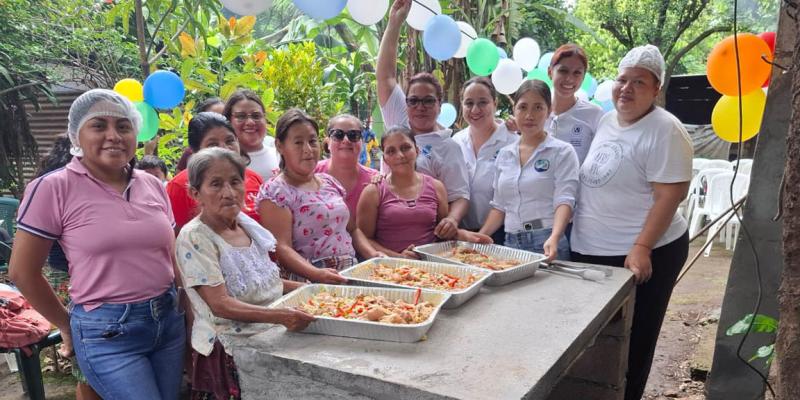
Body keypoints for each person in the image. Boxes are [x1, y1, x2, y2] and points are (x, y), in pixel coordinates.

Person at [9, 89, 185, 399]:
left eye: (123, 126)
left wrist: (188, 308)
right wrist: (66, 323)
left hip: (168, 323)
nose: (113, 135)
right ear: (77, 134)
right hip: (107, 333)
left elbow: (170, 254)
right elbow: (23, 272)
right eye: (99, 125)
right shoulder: (53, 188)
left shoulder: (153, 185)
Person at [569, 45, 693, 400]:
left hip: (641, 253)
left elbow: (670, 195)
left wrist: (641, 247)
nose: (626, 88)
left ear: (657, 89)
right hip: (592, 249)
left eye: (639, 82)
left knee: (632, 344)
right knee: (594, 343)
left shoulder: (666, 130)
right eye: (622, 79)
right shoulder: (608, 120)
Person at [176, 147, 314, 400]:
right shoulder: (196, 236)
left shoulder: (247, 226)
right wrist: (282, 316)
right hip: (229, 352)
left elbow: (266, 283)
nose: (228, 193)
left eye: (235, 182)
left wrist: (316, 291)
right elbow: (220, 304)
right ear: (196, 193)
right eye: (215, 184)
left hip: (267, 339)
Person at [376, 0, 470, 240]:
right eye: (413, 101)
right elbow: (385, 76)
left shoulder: (449, 146)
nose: (420, 107)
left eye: (428, 101)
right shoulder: (399, 123)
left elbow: (459, 195)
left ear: (440, 104)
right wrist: (395, 21)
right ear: (405, 104)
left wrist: (452, 219)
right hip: (387, 230)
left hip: (427, 235)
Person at [257, 109, 381, 282]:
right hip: (309, 282)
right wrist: (317, 274)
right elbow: (282, 248)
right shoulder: (276, 192)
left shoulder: (330, 182)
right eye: (298, 143)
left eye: (312, 141)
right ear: (280, 146)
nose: (308, 149)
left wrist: (373, 255)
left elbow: (352, 230)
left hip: (350, 273)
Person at [478, 80, 579, 262]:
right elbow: (500, 206)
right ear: (514, 110)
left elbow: (565, 200)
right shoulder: (505, 154)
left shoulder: (562, 151)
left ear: (549, 111)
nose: (529, 115)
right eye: (523, 107)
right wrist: (479, 239)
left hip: (546, 240)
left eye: (538, 107)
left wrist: (555, 236)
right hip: (510, 244)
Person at [358, 127, 492, 258]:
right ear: (385, 158)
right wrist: (397, 258)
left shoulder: (436, 187)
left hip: (432, 272)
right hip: (388, 273)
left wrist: (457, 232)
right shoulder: (373, 192)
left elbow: (441, 234)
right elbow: (364, 239)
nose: (400, 155)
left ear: (417, 150)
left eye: (405, 147)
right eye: (391, 151)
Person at [167, 112, 265, 232]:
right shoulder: (179, 185)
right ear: (196, 151)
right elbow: (175, 238)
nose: (224, 148)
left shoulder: (254, 178)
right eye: (213, 144)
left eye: (230, 141)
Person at [451, 77, 518, 243]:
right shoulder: (456, 142)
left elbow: (506, 199)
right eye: (469, 103)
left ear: (494, 103)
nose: (475, 109)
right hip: (460, 233)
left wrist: (480, 237)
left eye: (482, 102)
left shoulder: (513, 143)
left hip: (500, 234)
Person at [546, 44, 605, 164]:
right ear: (550, 72)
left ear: (583, 77)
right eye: (563, 71)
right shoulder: (535, 111)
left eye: (577, 73)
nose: (569, 79)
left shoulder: (594, 114)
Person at [314, 114, 378, 216]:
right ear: (328, 142)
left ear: (362, 142)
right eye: (338, 134)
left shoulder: (376, 181)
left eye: (353, 135)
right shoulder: (311, 173)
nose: (346, 140)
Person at [223, 90, 279, 179]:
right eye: (241, 116)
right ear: (229, 121)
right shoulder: (222, 161)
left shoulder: (281, 155)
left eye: (256, 116)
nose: (250, 122)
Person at [176, 97, 226, 173]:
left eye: (224, 117)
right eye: (213, 118)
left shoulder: (239, 146)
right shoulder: (190, 152)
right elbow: (179, 181)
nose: (220, 122)